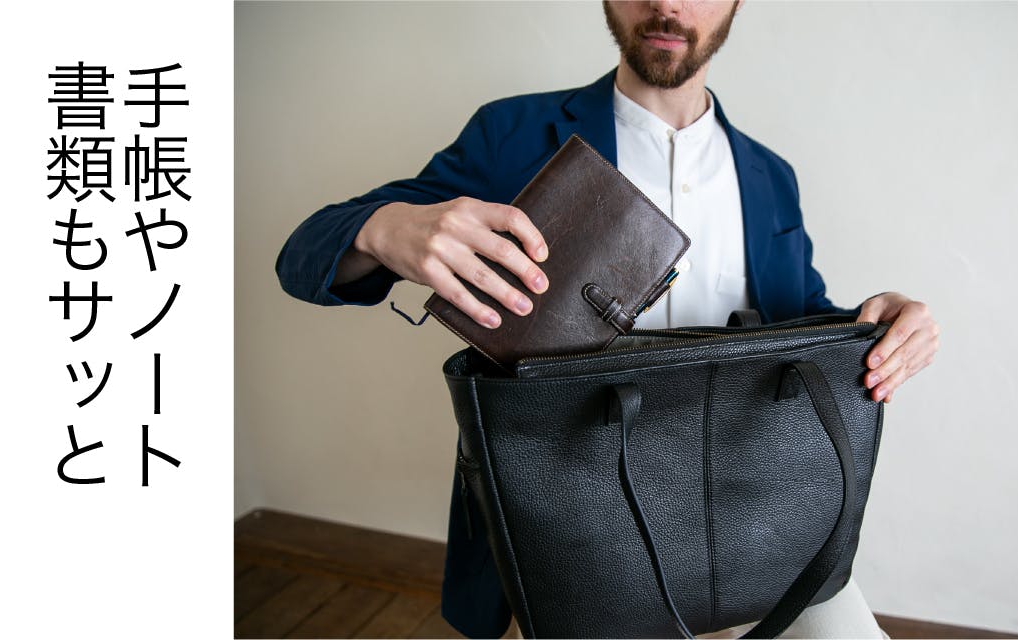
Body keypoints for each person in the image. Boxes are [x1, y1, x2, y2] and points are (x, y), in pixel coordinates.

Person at [276, 2, 940, 637]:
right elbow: (300, 258)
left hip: (754, 512)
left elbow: (799, 321)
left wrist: (876, 324)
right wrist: (384, 228)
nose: (665, 4)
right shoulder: (511, 134)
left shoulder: (771, 176)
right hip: (573, 527)